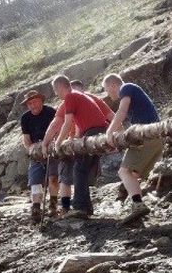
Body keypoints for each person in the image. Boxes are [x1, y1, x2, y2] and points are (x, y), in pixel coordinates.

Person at [42, 79, 114, 215]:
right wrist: (73, 138)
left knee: (79, 169)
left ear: (60, 88)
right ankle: (86, 208)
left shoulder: (70, 97)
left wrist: (57, 143)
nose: (56, 94)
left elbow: (67, 123)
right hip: (96, 130)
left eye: (56, 91)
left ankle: (80, 208)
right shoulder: (80, 96)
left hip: (93, 132)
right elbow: (79, 123)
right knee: (83, 170)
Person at [103, 74, 164, 223]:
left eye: (107, 90)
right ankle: (132, 201)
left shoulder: (126, 87)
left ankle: (137, 205)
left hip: (147, 136)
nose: (108, 94)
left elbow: (121, 112)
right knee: (134, 174)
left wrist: (109, 132)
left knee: (124, 171)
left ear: (113, 85)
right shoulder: (134, 95)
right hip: (157, 138)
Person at [20, 90, 59, 223]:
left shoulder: (51, 112)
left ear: (41, 101)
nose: (32, 105)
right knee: (35, 181)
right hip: (36, 150)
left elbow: (57, 129)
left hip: (52, 148)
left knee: (53, 178)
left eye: (35, 102)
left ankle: (53, 206)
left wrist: (50, 144)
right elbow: (25, 138)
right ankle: (36, 209)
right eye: (29, 103)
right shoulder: (25, 118)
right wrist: (31, 148)